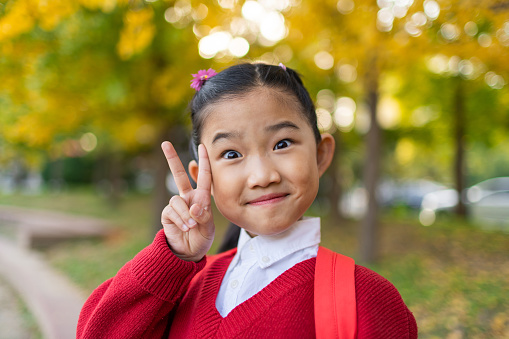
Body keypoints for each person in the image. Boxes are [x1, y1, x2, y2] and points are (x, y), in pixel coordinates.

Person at [77, 63, 418, 338]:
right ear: (202, 176)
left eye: (282, 144)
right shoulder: (183, 285)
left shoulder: (366, 298)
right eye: (231, 153)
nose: (262, 175)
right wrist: (174, 258)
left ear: (321, 154)